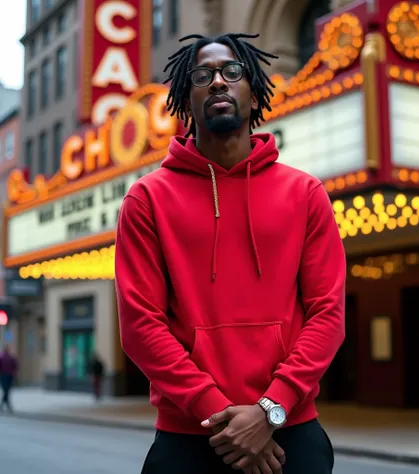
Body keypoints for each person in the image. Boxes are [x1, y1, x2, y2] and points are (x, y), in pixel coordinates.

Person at [115, 33, 346, 474]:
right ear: (186, 96)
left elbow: (327, 315)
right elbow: (141, 327)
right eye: (204, 75)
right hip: (188, 438)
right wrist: (223, 418)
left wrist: (269, 410)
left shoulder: (305, 193)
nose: (218, 82)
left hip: (289, 432)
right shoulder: (146, 200)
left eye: (232, 72)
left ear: (254, 90)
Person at [0, 345, 18, 413]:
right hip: (8, 375)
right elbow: (15, 366)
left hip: (4, 375)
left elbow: (15, 365)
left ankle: (3, 405)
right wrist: (14, 372)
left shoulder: (2, 357)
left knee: (6, 390)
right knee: (6, 390)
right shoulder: (10, 357)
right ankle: (7, 405)